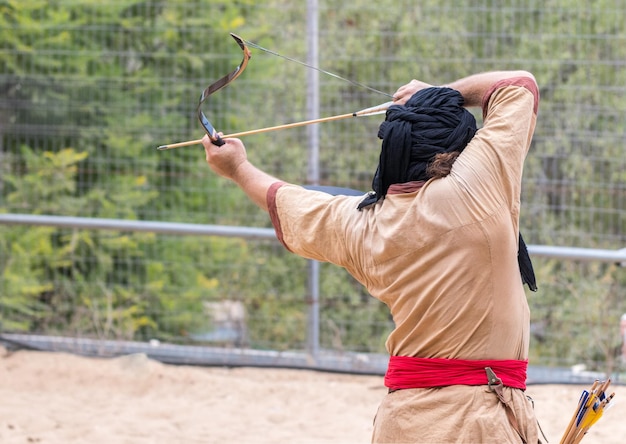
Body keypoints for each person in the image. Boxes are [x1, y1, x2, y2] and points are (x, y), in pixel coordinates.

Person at [202, 70, 541, 443]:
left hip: (404, 423)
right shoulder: (476, 184)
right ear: (461, 149)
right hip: (480, 422)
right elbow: (518, 85)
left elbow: (282, 200)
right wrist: (438, 94)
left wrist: (237, 168)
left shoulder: (359, 225)